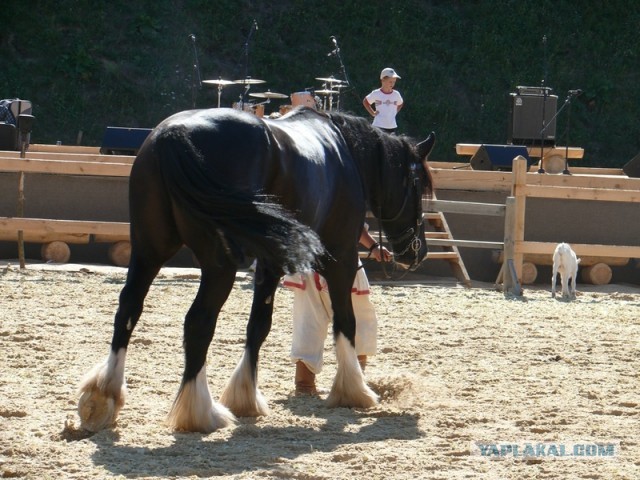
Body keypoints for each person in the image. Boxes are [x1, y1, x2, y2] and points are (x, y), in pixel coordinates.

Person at [283, 226, 392, 395]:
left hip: (307, 257)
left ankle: (305, 384)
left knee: (308, 321)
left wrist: (374, 246)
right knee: (358, 319)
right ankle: (352, 382)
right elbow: (352, 220)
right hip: (338, 258)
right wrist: (373, 246)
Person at [362, 67, 404, 134]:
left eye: (394, 82)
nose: (392, 84)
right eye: (390, 82)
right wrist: (373, 113)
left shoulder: (396, 94)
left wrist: (395, 112)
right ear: (383, 80)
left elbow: (401, 103)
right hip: (378, 127)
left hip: (392, 127)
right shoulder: (376, 93)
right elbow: (365, 101)